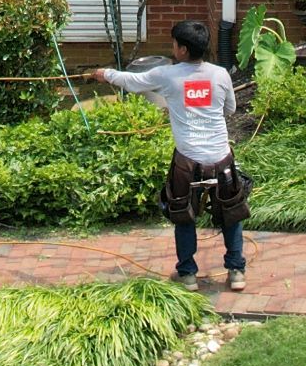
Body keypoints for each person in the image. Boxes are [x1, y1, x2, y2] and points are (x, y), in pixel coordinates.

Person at [99, 21, 250, 293]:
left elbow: (131, 82)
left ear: (181, 49)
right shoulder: (220, 75)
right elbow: (230, 108)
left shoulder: (167, 76)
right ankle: (236, 271)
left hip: (187, 163)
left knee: (182, 214)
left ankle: (188, 275)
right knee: (231, 212)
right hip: (221, 159)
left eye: (173, 44)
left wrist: (105, 73)